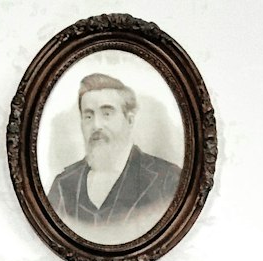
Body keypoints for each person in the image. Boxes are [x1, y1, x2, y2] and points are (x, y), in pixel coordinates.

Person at [46, 72, 181, 241]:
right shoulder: (63, 185)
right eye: (88, 116)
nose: (96, 125)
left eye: (107, 114)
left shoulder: (167, 179)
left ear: (129, 120)